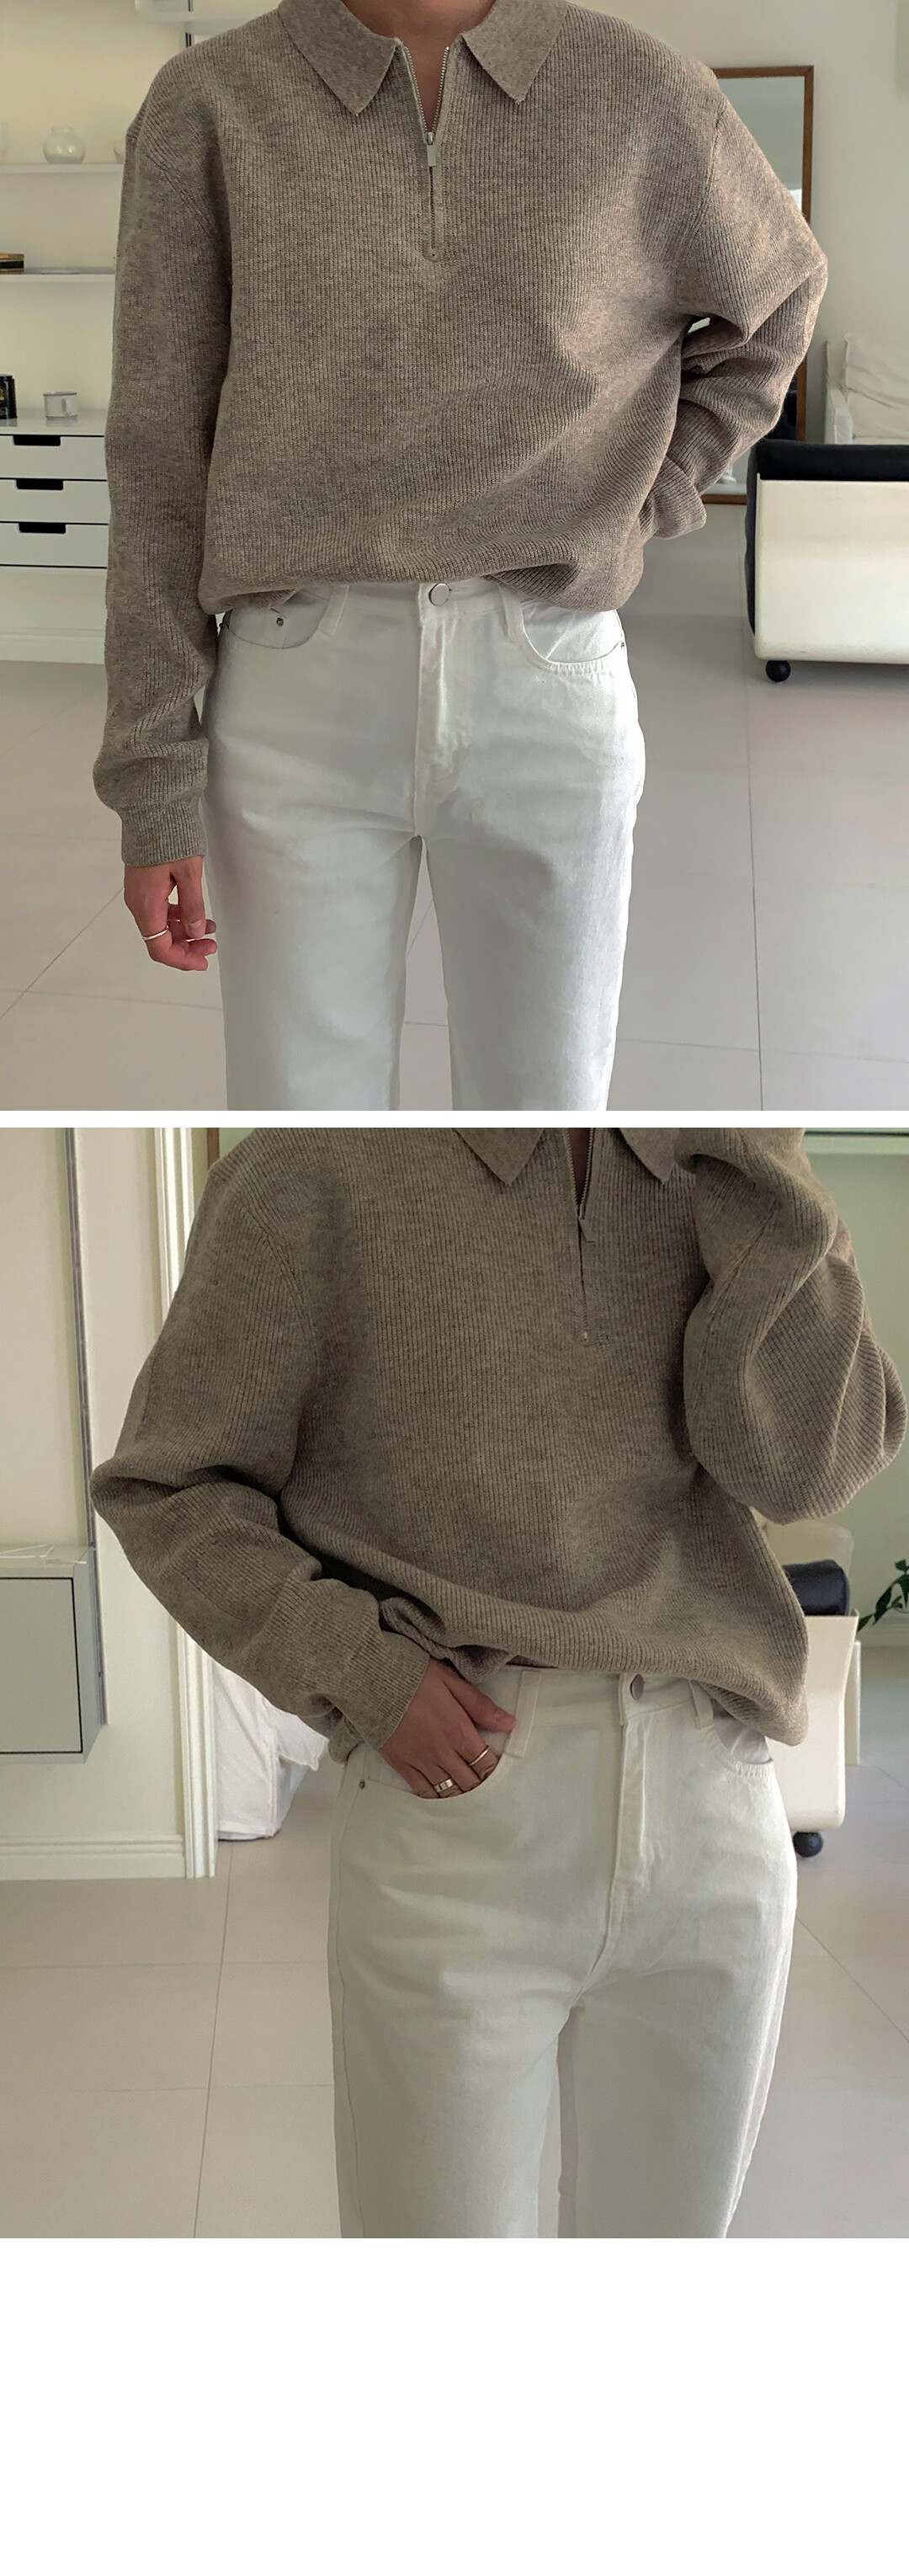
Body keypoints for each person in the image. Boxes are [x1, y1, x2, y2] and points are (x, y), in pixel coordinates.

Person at [93, 1124, 904, 2244]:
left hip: (713, 1801)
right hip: (458, 1805)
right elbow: (168, 1483)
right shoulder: (314, 1167)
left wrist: (759, 1158)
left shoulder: (740, 1168)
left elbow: (808, 1471)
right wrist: (365, 1671)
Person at [93, 3, 825, 1112]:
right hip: (292, 693)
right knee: (304, 1118)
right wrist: (153, 779)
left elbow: (777, 302)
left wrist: (650, 496)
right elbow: (158, 444)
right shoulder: (213, 103)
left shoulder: (639, 89)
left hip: (546, 668)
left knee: (547, 1118)